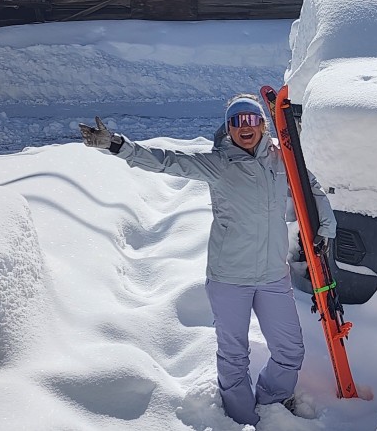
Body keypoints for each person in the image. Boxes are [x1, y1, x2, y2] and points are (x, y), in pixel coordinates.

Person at [78, 94, 336, 426]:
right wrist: (117, 145)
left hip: (273, 276)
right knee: (233, 358)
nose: (245, 127)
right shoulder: (218, 164)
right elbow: (166, 160)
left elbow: (309, 185)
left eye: (252, 120)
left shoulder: (278, 159)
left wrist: (325, 226)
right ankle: (242, 418)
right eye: (237, 121)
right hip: (229, 278)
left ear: (262, 124)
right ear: (228, 128)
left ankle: (271, 401)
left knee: (290, 352)